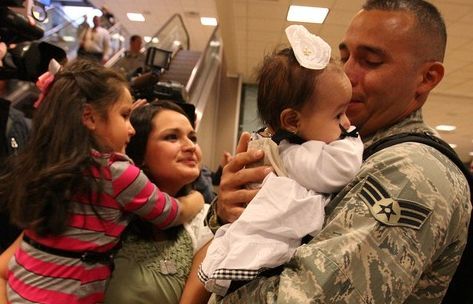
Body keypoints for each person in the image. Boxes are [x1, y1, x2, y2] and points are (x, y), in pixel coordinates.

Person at [207, 0, 471, 303]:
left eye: (370, 61)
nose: (347, 74)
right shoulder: (340, 144)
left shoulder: (412, 170)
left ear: (427, 78)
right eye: (344, 57)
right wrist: (229, 209)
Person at [0, 60, 204, 304]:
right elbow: (172, 212)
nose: (130, 130)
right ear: (89, 117)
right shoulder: (117, 173)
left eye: (193, 136)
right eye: (125, 116)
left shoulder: (52, 166)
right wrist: (197, 200)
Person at [198, 25, 364, 296]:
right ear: (292, 121)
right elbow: (342, 168)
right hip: (264, 254)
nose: (347, 123)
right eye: (338, 116)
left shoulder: (280, 142)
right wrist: (352, 139)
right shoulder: (295, 155)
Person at [104, 100, 213, 304]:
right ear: (140, 152)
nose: (190, 146)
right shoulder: (108, 211)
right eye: (172, 137)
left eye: (193, 137)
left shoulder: (207, 221)